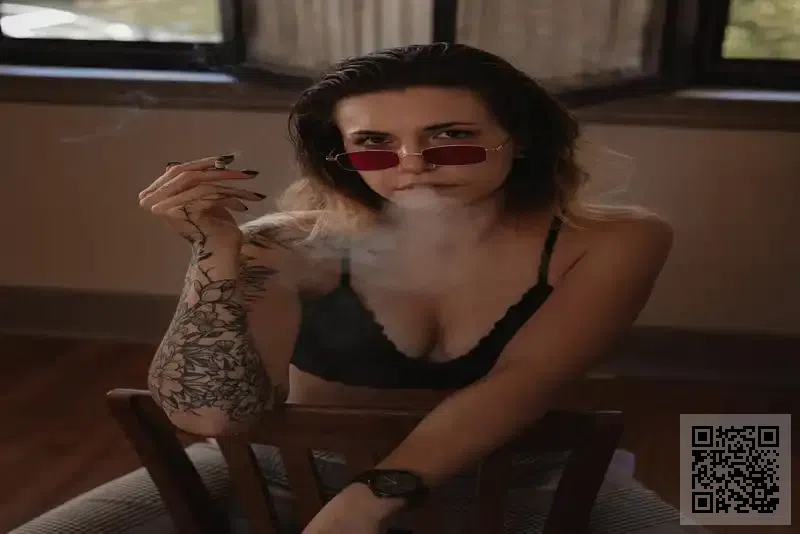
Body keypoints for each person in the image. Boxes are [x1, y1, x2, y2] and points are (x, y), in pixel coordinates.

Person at [13, 43, 709, 534]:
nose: (414, 164)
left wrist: (373, 496)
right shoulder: (282, 243)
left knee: (731, 511)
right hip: (280, 472)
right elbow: (211, 416)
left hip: (523, 475)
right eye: (375, 144)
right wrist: (215, 254)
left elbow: (525, 382)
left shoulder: (621, 237)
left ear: (519, 139)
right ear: (341, 156)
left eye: (452, 137)